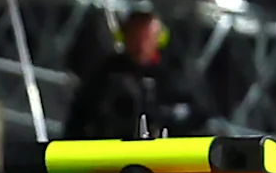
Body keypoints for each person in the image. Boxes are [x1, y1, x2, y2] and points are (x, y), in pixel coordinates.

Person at [70, 8, 204, 140]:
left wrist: (161, 114)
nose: (141, 44)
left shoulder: (175, 73)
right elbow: (80, 114)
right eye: (135, 36)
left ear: (158, 39)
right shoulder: (106, 72)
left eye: (147, 37)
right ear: (125, 37)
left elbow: (197, 115)